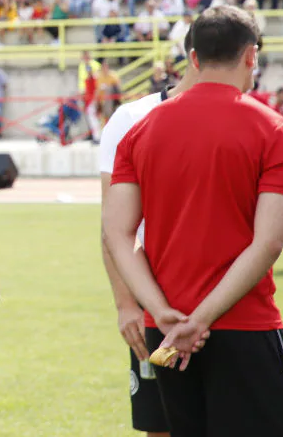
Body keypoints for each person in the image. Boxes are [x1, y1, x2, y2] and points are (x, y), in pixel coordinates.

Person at [105, 6, 283, 437]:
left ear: (192, 59)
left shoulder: (141, 129)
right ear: (251, 56)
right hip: (243, 325)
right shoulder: (271, 128)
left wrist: (162, 313)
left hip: (167, 333)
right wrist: (202, 319)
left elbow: (117, 234)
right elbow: (269, 242)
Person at [98, 28, 198, 437]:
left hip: (227, 305)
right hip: (153, 302)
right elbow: (114, 225)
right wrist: (126, 305)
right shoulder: (130, 118)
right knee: (160, 424)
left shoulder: (249, 118)